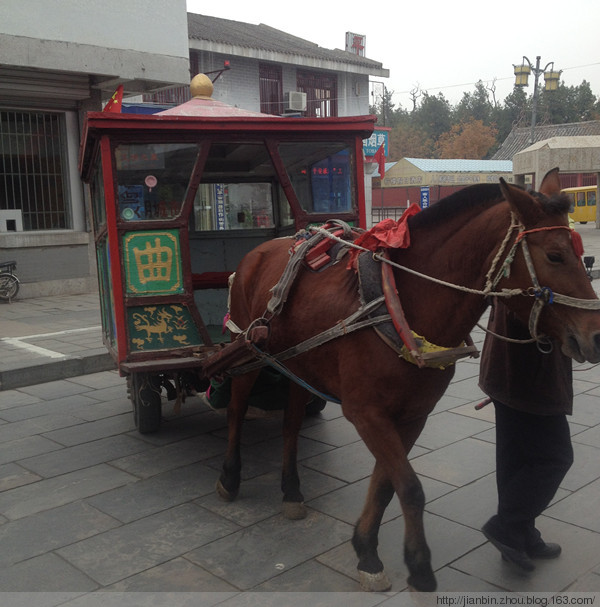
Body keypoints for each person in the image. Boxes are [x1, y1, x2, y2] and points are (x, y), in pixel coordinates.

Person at [478, 298, 574, 572]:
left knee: (517, 457)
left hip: (507, 368)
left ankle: (520, 535)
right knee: (555, 457)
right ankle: (507, 527)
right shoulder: (535, 254)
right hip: (530, 373)